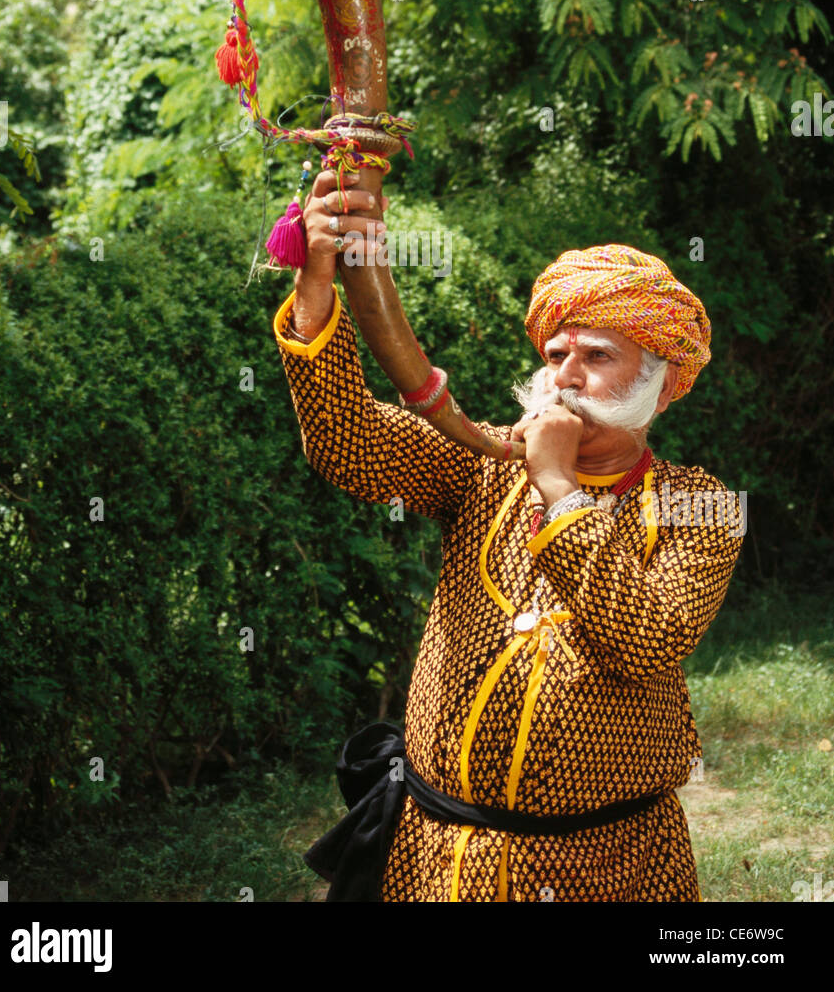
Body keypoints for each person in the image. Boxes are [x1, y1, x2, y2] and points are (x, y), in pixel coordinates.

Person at [272, 168, 744, 902]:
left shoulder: (696, 503)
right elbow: (346, 440)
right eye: (556, 355)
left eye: (596, 356)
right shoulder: (481, 461)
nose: (565, 376)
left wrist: (556, 487)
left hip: (610, 865)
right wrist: (317, 288)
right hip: (440, 858)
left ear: (656, 379)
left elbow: (645, 635)